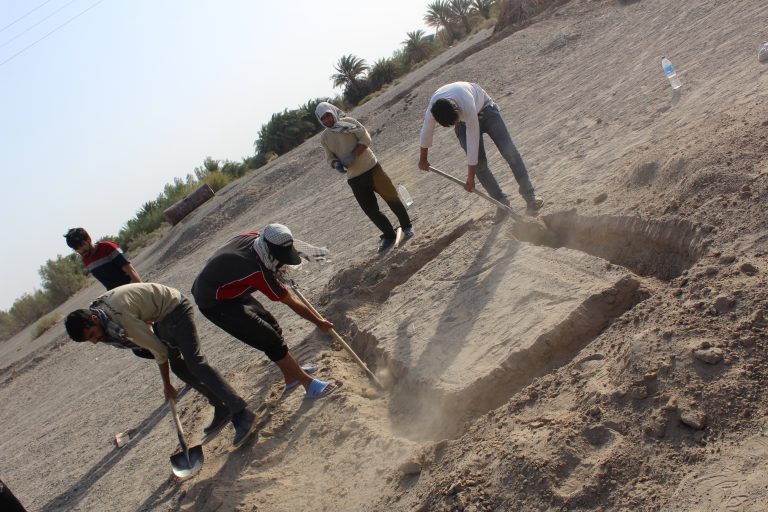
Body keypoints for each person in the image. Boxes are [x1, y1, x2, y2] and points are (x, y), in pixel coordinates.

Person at [64, 283, 256, 446]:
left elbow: (160, 352)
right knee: (180, 367)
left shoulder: (119, 316)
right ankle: (220, 405)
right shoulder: (100, 312)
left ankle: (241, 411)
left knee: (195, 362)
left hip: (176, 307)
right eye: (89, 340)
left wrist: (167, 385)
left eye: (92, 335)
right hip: (162, 318)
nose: (95, 341)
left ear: (94, 319)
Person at [191, 224, 338, 399]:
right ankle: (308, 384)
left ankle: (291, 376)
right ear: (269, 250)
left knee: (272, 325)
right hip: (214, 302)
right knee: (269, 339)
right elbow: (290, 301)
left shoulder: (257, 238)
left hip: (230, 287)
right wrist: (318, 322)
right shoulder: (257, 271)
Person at [418, 82, 544, 215]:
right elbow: (426, 132)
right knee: (480, 166)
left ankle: (530, 197)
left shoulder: (465, 102)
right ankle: (502, 204)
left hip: (487, 110)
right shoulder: (433, 111)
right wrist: (423, 159)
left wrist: (471, 178)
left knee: (510, 153)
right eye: (452, 123)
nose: (454, 123)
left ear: (456, 108)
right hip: (463, 121)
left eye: (455, 120)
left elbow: (473, 143)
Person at [315, 101, 413, 252]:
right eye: (323, 119)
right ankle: (389, 235)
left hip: (372, 168)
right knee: (371, 210)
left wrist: (353, 155)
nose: (327, 120)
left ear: (333, 113)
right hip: (354, 178)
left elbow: (365, 138)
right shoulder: (325, 137)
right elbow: (329, 157)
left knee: (391, 198)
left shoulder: (349, 122)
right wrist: (337, 164)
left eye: (328, 116)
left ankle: (407, 226)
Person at [64, 227, 142, 290]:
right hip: (115, 297)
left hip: (131, 289)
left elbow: (131, 271)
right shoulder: (86, 260)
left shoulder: (108, 247)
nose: (80, 250)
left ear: (89, 239)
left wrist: (141, 291)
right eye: (76, 248)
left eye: (82, 245)